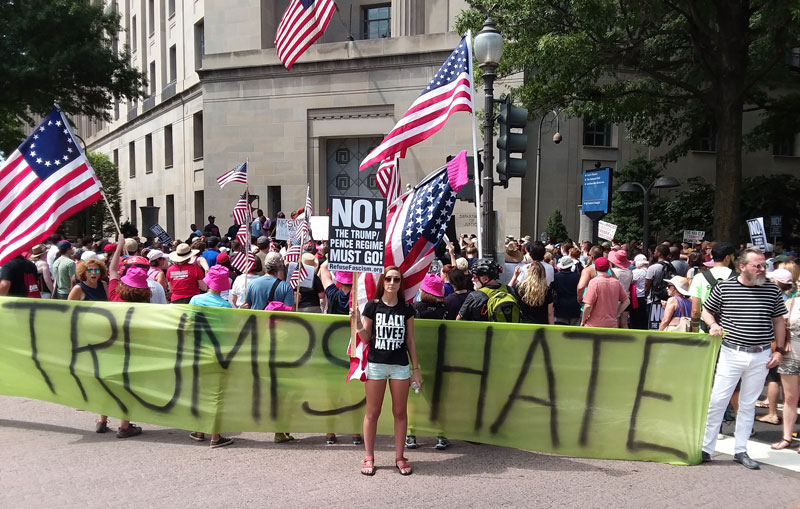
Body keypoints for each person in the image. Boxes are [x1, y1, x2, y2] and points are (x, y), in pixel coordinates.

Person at [700, 248, 788, 469]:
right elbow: (706, 311)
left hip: (761, 354)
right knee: (718, 400)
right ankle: (705, 448)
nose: (762, 269)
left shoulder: (772, 291)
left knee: (748, 404)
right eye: (757, 265)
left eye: (763, 265)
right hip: (731, 352)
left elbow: (778, 320)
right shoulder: (725, 287)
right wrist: (713, 325)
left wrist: (778, 350)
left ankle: (741, 450)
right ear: (742, 267)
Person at [356, 266, 421, 476]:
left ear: (401, 283)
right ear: (382, 282)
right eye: (388, 279)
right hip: (376, 364)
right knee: (372, 412)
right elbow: (366, 339)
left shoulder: (406, 309)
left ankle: (400, 457)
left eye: (396, 280)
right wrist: (357, 323)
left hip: (400, 366)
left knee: (400, 412)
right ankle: (369, 456)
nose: (392, 283)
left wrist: (416, 369)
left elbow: (410, 341)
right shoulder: (372, 307)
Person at [96, 234, 149, 438]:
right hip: (130, 349)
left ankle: (102, 419)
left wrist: (118, 247)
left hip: (108, 345)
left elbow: (111, 270)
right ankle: (125, 426)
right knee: (126, 385)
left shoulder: (114, 293)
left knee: (107, 382)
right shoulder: (144, 305)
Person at [187, 265, 235, 448]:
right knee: (216, 393)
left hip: (198, 351)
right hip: (218, 353)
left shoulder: (195, 300)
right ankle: (215, 436)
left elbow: (189, 324)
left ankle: (199, 431)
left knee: (199, 391)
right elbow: (230, 331)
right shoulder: (226, 306)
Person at [770, 294, 799, 453]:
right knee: (789, 397)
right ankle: (787, 437)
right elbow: (780, 323)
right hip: (791, 354)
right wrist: (782, 344)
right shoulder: (791, 302)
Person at [689, 242, 735, 332]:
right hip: (730, 331)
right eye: (733, 256)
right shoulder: (737, 277)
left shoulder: (699, 277)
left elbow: (695, 310)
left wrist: (695, 330)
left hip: (706, 329)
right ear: (727, 258)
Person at [581, 257, 630, 328]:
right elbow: (627, 301)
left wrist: (583, 321)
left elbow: (588, 305)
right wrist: (616, 314)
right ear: (608, 268)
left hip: (593, 325)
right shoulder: (616, 282)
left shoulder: (594, 282)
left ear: (595, 268)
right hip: (611, 325)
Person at [645, 245, 676, 330]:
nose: (654, 253)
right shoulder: (671, 266)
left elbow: (647, 286)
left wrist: (645, 296)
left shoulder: (653, 268)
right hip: (667, 300)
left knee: (652, 325)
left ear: (659, 254)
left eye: (655, 251)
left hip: (654, 300)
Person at [608, 249, 634, 328]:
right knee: (624, 322)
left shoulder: (613, 271)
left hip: (616, 298)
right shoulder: (630, 272)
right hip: (627, 297)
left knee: (616, 320)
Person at [552, 256, 580, 325]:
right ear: (571, 266)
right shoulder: (577, 276)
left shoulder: (555, 277)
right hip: (574, 306)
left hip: (559, 307)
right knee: (574, 331)